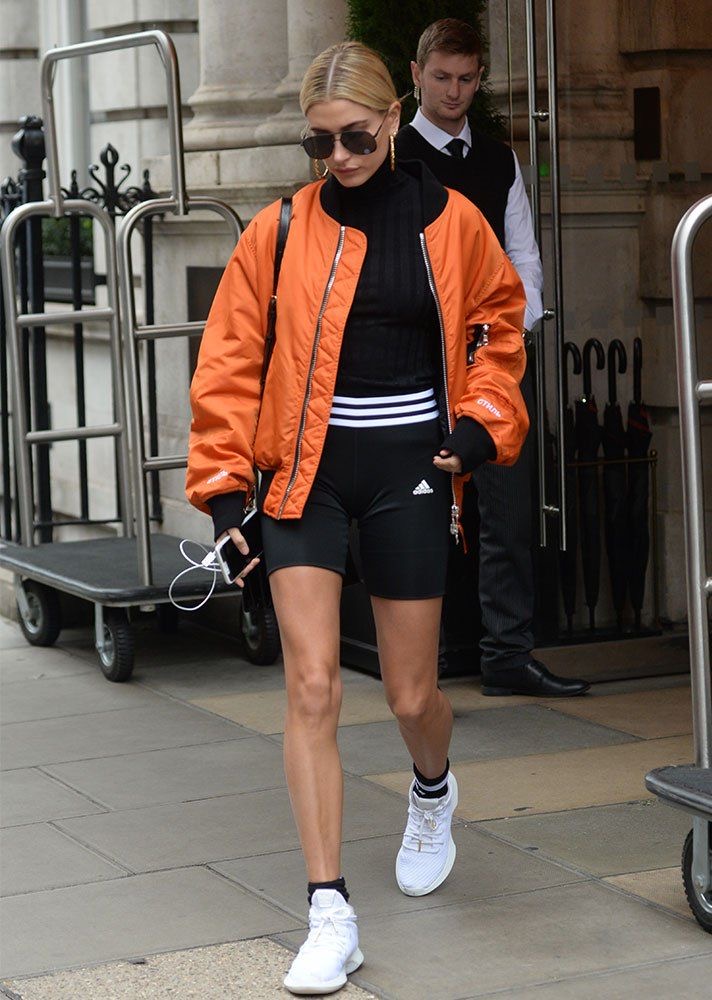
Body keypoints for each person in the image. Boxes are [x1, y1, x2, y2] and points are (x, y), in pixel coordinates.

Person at [186, 41, 528, 996]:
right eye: (318, 143)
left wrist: (482, 423)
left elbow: (499, 326)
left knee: (412, 697)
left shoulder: (450, 220)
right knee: (311, 688)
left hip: (412, 469)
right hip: (306, 477)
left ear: (391, 119)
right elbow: (228, 362)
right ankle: (329, 911)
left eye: (353, 137)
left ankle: (432, 789)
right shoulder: (280, 231)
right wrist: (225, 495)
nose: (337, 157)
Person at [396, 18, 590, 698]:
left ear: (479, 79)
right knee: (418, 509)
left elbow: (523, 258)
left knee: (508, 508)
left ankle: (507, 653)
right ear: (416, 75)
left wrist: (507, 332)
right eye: (441, 78)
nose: (453, 91)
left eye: (466, 79)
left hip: (493, 358)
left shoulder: (500, 160)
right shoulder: (391, 158)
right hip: (417, 361)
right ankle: (429, 656)